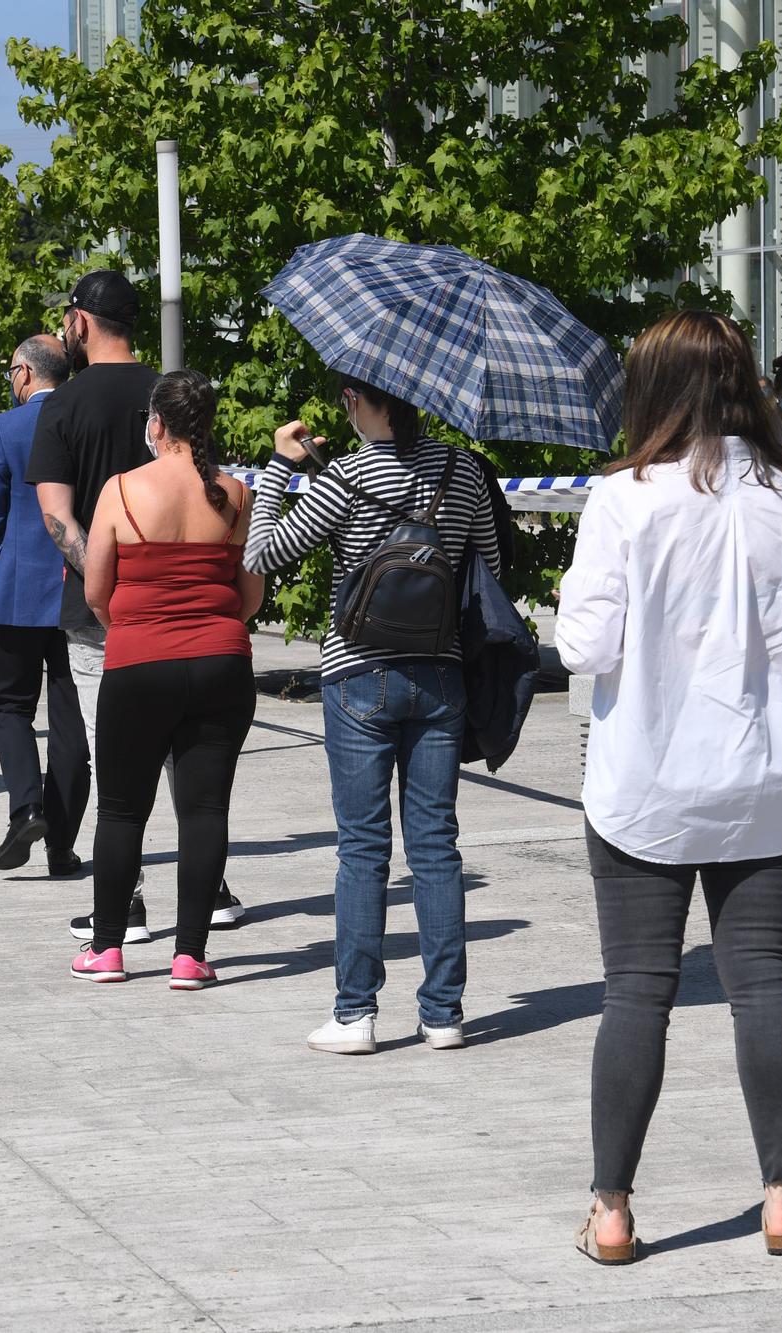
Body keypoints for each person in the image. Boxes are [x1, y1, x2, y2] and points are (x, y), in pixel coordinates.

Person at [555, 309, 782, 1265]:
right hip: (767, 783)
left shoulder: (623, 500)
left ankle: (610, 1211)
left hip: (644, 781)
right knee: (760, 984)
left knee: (636, 990)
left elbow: (585, 645)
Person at [244, 376, 503, 1055]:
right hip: (442, 673)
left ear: (359, 399)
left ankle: (356, 1012)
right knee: (436, 845)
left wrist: (281, 468)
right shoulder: (462, 469)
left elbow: (261, 553)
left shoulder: (345, 477)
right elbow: (491, 563)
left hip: (358, 671)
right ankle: (443, 1012)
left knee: (363, 848)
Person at [29, 268, 249, 935]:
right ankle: (209, 888)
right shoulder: (171, 391)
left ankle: (123, 902)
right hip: (200, 620)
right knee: (193, 758)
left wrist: (110, 591)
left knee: (117, 769)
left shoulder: (61, 405)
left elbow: (57, 517)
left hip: (110, 620)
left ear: (80, 321)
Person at [70, 371, 262, 989]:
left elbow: (96, 591)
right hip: (221, 662)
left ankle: (106, 950)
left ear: (156, 424)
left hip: (137, 663)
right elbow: (250, 598)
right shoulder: (235, 495)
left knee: (123, 810)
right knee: (204, 809)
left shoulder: (120, 491)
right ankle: (191, 955)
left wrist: (133, 621)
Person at [0, 335, 89, 874]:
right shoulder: (85, 418)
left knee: (10, 705)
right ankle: (61, 845)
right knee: (72, 719)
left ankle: (25, 808)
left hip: (19, 586)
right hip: (80, 584)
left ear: (22, 373)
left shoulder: (3, 428)